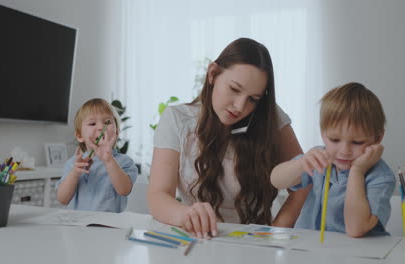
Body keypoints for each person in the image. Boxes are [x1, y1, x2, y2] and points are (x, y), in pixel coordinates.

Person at [148, 38, 309, 239]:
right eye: (234, 89)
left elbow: (305, 182)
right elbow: (158, 195)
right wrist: (187, 214)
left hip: (256, 246)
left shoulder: (270, 118)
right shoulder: (177, 120)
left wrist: (275, 230)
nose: (240, 107)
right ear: (213, 74)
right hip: (201, 240)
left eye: (253, 99)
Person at [270, 83, 396, 237]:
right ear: (323, 134)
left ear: (377, 138)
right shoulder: (320, 157)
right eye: (335, 140)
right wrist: (300, 164)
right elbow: (276, 180)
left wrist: (357, 171)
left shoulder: (381, 177)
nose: (344, 151)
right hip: (311, 249)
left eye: (357, 142)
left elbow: (355, 229)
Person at [56, 98, 138, 212]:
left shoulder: (125, 162)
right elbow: (62, 199)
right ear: (80, 135)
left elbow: (124, 190)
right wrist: (74, 173)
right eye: (92, 123)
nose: (100, 127)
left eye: (107, 122)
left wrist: (109, 161)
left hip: (110, 227)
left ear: (117, 132)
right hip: (78, 227)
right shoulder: (74, 164)